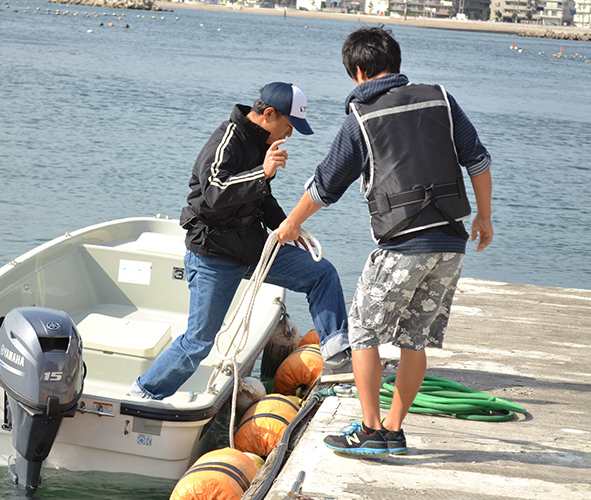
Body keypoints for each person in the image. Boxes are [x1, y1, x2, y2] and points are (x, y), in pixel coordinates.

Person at [276, 27, 494, 455]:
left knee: (362, 333)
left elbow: (324, 186)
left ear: (358, 71)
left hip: (402, 247)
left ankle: (372, 430)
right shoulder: (442, 99)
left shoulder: (361, 118)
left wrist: (291, 224)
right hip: (450, 244)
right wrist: (484, 217)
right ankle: (393, 431)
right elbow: (479, 159)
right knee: (415, 339)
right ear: (394, 63)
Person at [128, 82, 352, 400]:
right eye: (288, 126)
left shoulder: (262, 143)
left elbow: (261, 200)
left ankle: (338, 364)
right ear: (270, 114)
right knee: (198, 342)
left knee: (321, 273)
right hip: (214, 254)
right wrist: (261, 173)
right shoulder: (227, 139)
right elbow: (212, 195)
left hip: (251, 248)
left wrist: (289, 225)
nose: (289, 135)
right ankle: (143, 392)